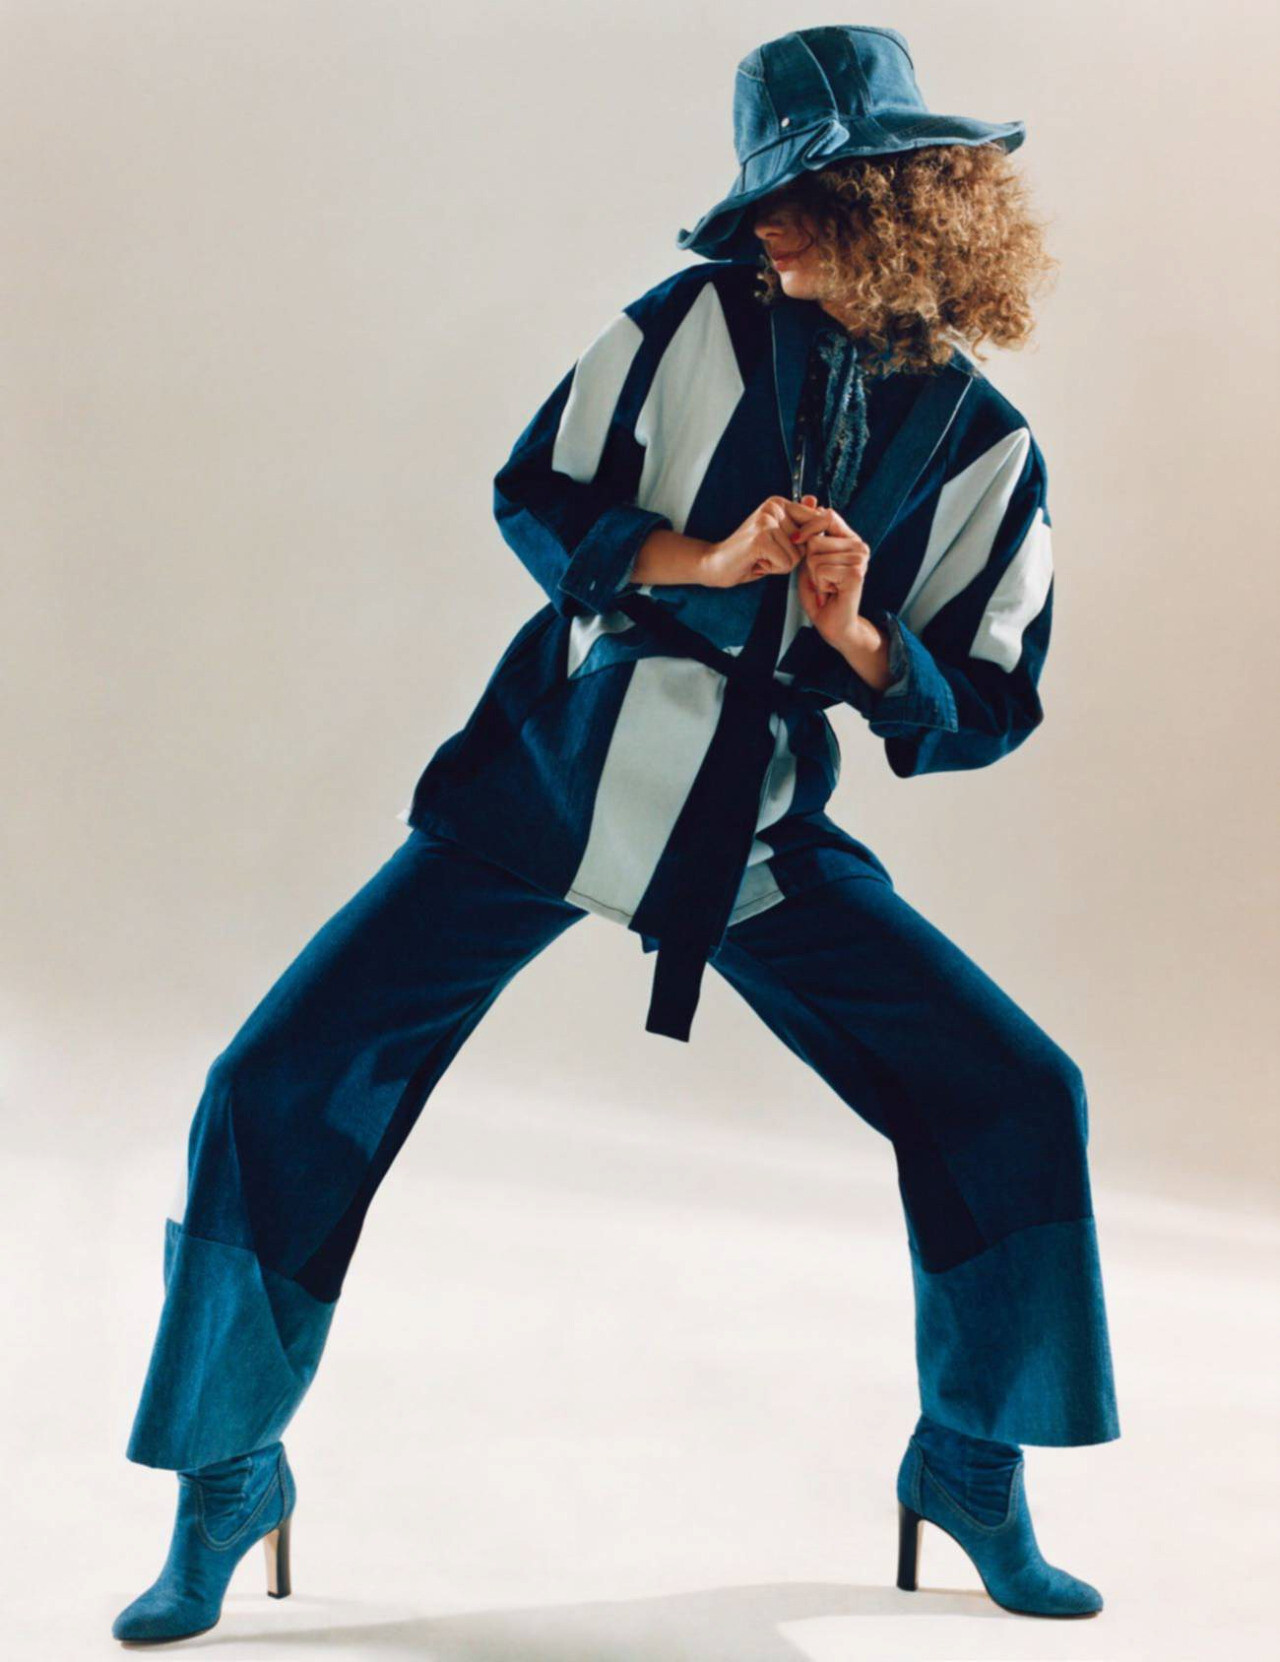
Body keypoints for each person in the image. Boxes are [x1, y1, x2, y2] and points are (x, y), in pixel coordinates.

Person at [111, 24, 1120, 1644]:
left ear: (896, 204)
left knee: (1012, 1091)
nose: (761, 225)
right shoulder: (683, 326)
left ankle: (970, 1462)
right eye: (760, 199)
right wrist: (702, 559)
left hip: (757, 828)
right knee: (274, 1079)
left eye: (797, 195)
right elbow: (537, 489)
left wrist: (858, 634)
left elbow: (989, 701)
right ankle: (228, 1472)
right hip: (550, 781)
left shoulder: (990, 449)